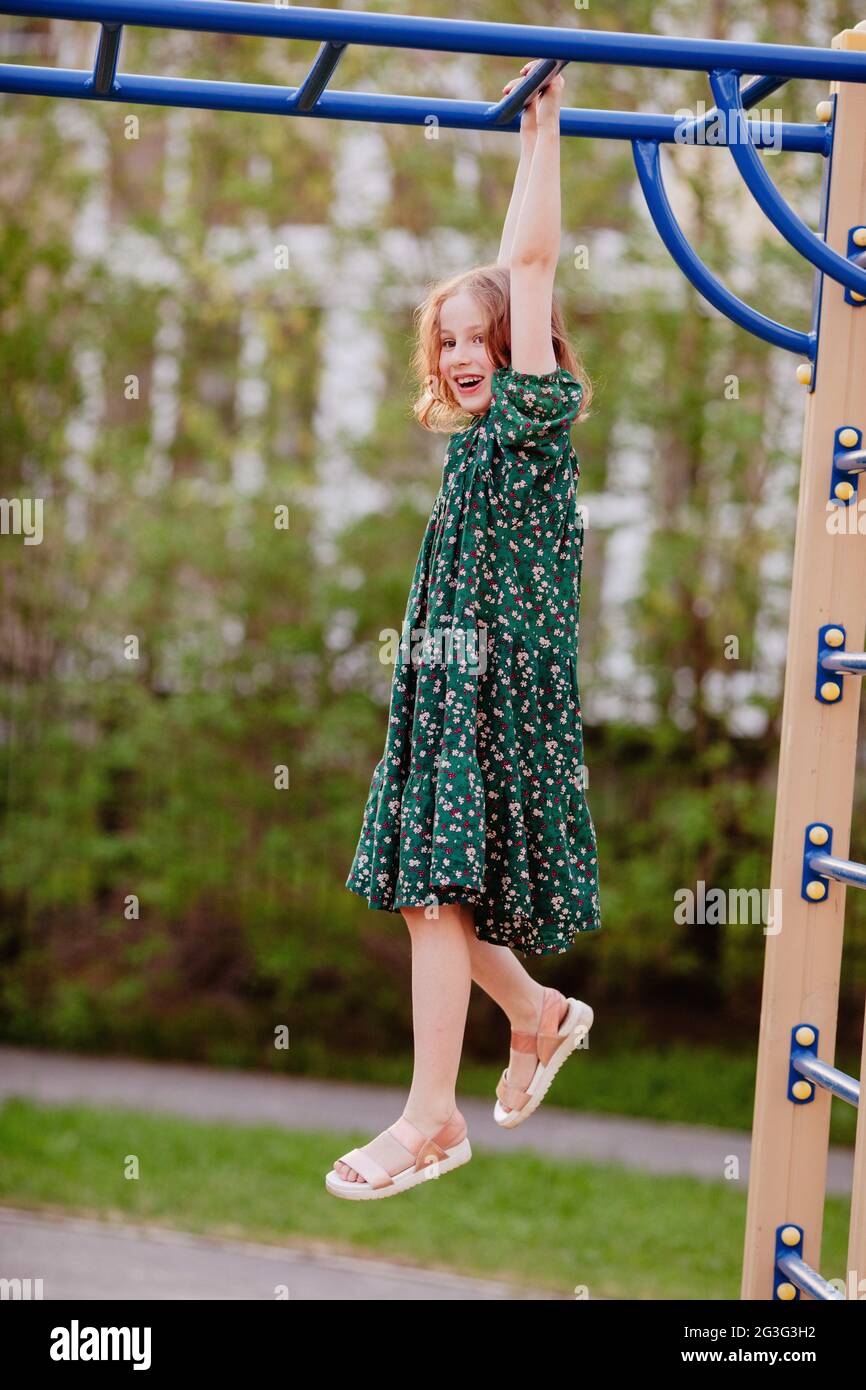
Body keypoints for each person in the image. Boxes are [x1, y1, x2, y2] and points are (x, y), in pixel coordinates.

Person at [328, 63, 601, 1200]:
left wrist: (544, 133)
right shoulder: (472, 442)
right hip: (446, 682)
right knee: (423, 890)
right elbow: (506, 274)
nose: (456, 352)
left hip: (495, 685)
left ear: (523, 349)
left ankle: (432, 1112)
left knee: (436, 892)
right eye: (443, 337)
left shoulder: (532, 426)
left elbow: (526, 262)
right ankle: (534, 1014)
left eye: (477, 334)